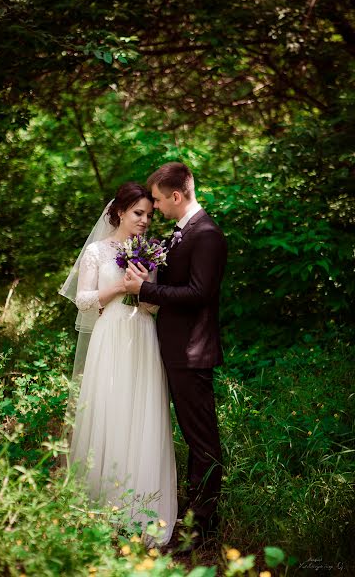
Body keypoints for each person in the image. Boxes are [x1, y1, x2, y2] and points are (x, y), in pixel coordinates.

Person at [59, 182, 177, 545]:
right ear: (120, 212)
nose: (144, 220)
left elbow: (151, 306)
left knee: (140, 412)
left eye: (149, 214)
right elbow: (83, 300)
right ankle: (99, 504)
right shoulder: (96, 251)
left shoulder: (152, 251)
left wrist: (144, 290)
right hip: (110, 335)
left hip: (141, 335)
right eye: (138, 213)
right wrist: (121, 289)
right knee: (109, 411)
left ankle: (141, 509)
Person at [124, 162, 227, 542]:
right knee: (193, 439)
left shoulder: (207, 235)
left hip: (192, 353)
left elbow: (200, 294)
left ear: (177, 196)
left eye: (157, 200)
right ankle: (193, 517)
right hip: (175, 351)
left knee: (203, 443)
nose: (155, 208)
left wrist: (145, 291)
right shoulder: (182, 234)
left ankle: (200, 531)